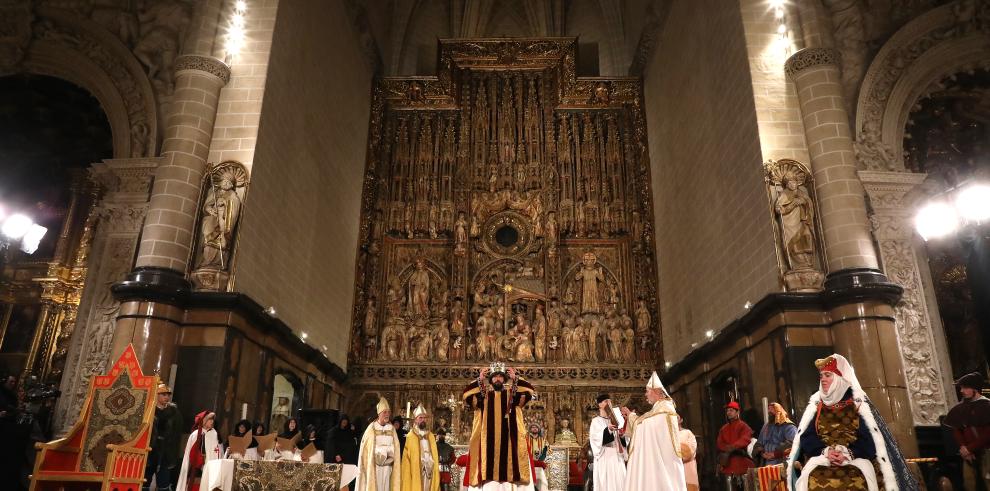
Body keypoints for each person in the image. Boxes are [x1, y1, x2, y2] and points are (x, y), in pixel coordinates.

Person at [787, 354, 918, 490]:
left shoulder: (858, 404)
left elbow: (869, 439)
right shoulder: (816, 406)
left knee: (858, 480)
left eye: (828, 375)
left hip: (856, 458)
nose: (823, 380)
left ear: (839, 378)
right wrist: (826, 451)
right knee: (811, 478)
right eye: (821, 376)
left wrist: (847, 453)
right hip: (822, 457)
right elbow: (808, 437)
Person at [462, 362, 536, 489]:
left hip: (509, 441)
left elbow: (529, 391)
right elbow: (467, 396)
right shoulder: (483, 396)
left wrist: (515, 378)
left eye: (500, 377)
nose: (497, 379)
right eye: (494, 377)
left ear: (504, 379)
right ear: (490, 380)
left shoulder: (513, 395)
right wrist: (479, 380)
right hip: (487, 441)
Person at [619, 371, 686, 491]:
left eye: (647, 391)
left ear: (656, 391)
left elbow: (647, 427)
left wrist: (631, 416)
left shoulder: (665, 408)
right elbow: (646, 424)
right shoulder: (657, 409)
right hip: (657, 459)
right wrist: (630, 416)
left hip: (663, 460)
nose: (645, 394)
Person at [945, 371, 990, 491]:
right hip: (968, 455)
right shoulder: (960, 408)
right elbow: (957, 429)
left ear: (975, 388)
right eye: (961, 388)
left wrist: (969, 449)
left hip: (987, 453)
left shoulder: (987, 406)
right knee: (970, 485)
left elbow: (988, 433)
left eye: (965, 388)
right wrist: (964, 448)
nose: (961, 391)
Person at [142, 384, 183, 491]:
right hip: (150, 449)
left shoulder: (174, 412)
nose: (166, 397)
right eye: (163, 394)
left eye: (168, 395)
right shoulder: (149, 410)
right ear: (156, 394)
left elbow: (176, 432)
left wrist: (172, 451)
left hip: (165, 451)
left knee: (163, 481)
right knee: (145, 479)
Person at [356, 397, 402, 491]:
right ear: (379, 413)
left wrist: (389, 452)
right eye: (385, 412)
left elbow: (396, 447)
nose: (387, 414)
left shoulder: (392, 429)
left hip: (388, 467)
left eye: (388, 412)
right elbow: (366, 450)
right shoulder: (371, 428)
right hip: (375, 467)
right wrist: (380, 452)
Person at [177, 411, 222, 491]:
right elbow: (190, 454)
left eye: (213, 420)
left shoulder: (213, 433)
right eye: (209, 419)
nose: (212, 421)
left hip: (210, 466)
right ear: (203, 421)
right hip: (197, 467)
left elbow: (215, 451)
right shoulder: (196, 434)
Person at [589, 394, 626, 491]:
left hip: (617, 457)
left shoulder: (616, 420)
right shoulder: (596, 421)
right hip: (605, 457)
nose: (609, 403)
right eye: (606, 401)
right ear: (599, 404)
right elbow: (595, 440)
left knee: (620, 482)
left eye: (610, 401)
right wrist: (608, 430)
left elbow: (623, 441)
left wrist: (622, 435)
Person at [401, 404, 440, 491]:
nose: (423, 420)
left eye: (425, 418)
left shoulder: (430, 436)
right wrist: (421, 463)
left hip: (430, 470)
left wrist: (430, 462)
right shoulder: (411, 436)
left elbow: (434, 455)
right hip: (417, 472)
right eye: (420, 418)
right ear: (415, 420)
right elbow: (406, 459)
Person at [717, 401, 754, 489]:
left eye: (731, 410)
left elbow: (746, 439)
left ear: (737, 412)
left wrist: (733, 447)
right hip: (728, 462)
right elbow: (719, 443)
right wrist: (727, 449)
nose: (728, 412)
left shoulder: (743, 426)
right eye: (727, 411)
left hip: (742, 461)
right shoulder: (723, 429)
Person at [752, 402, 796, 467]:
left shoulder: (788, 426)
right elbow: (759, 443)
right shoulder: (766, 426)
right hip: (766, 463)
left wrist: (776, 453)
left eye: (772, 409)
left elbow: (793, 442)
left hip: (782, 462)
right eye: (769, 409)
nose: (769, 411)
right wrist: (761, 452)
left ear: (779, 410)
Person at [677, 415, 698, 491]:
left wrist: (680, 453)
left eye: (677, 417)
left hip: (688, 465)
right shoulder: (668, 434)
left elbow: (692, 449)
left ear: (681, 420)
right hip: (674, 466)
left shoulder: (687, 433)